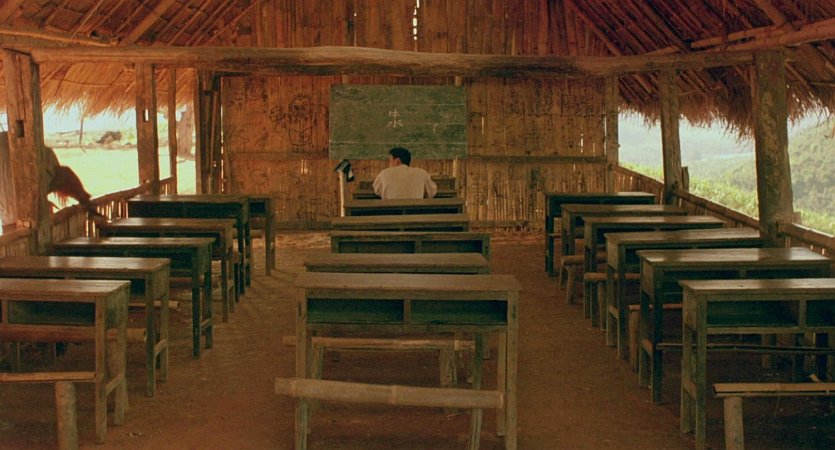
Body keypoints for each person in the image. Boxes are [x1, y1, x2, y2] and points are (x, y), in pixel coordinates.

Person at [372, 147, 437, 200]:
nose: (389, 164)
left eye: (390, 161)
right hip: (415, 211)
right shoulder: (421, 173)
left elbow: (377, 191)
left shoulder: (384, 173)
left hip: (391, 211)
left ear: (397, 161)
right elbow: (432, 192)